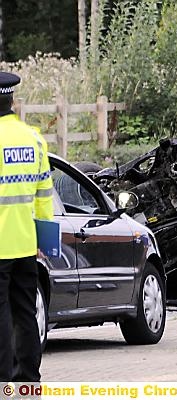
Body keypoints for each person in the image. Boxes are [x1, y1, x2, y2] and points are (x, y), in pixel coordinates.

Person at [0, 71, 53, 382]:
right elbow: (45, 196)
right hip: (27, 245)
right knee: (25, 312)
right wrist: (44, 241)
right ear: (12, 102)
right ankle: (28, 379)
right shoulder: (34, 138)